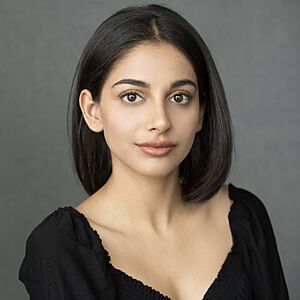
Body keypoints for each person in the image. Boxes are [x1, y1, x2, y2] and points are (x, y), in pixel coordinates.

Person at [18, 4, 290, 300]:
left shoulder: (245, 217)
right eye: (132, 96)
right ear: (92, 111)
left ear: (200, 112)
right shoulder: (61, 249)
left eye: (179, 97)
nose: (160, 121)